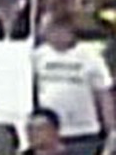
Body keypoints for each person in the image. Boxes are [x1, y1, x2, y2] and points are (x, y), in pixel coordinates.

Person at [33, 15, 115, 155]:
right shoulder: (37, 56)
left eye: (59, 29)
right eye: (50, 30)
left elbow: (103, 94)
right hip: (50, 134)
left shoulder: (90, 56)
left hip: (85, 133)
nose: (55, 34)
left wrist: (112, 129)